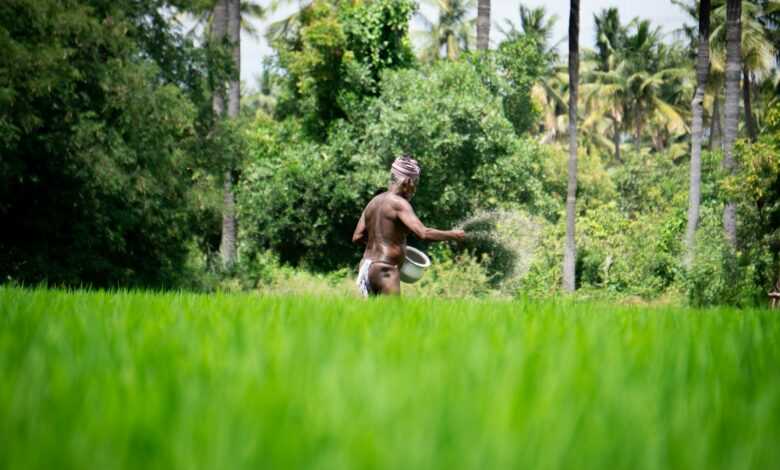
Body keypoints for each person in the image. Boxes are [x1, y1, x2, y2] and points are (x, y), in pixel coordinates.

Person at [352, 155, 465, 297]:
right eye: (415, 183)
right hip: (386, 270)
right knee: (397, 317)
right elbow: (423, 233)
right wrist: (455, 235)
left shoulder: (373, 202)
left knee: (370, 318)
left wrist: (383, 246)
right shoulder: (399, 203)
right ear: (407, 181)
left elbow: (357, 237)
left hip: (366, 268)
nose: (414, 189)